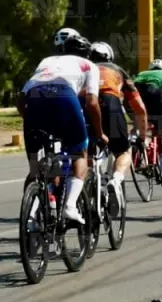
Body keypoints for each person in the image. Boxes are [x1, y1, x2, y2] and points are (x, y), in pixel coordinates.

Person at [18, 28, 104, 224]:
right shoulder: (89, 65)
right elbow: (91, 102)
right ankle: (70, 207)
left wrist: (33, 119)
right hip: (64, 97)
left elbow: (21, 100)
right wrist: (100, 133)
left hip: (33, 101)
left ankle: (31, 217)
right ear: (87, 53)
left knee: (35, 170)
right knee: (80, 154)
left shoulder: (47, 61)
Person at [91, 41, 148, 205]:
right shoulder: (118, 70)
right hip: (110, 103)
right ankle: (115, 180)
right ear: (110, 56)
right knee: (123, 151)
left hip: (84, 103)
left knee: (83, 151)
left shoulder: (84, 68)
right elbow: (140, 108)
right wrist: (142, 137)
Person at [134, 58, 162, 188]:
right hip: (153, 94)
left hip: (134, 95)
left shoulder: (142, 74)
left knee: (141, 126)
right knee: (161, 134)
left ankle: (139, 150)